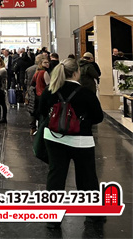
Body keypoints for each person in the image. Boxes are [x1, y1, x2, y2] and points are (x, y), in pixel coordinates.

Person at [38, 59, 104, 229]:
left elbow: (41, 111)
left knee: (56, 175)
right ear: (76, 73)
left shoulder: (51, 90)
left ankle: (52, 218)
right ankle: (93, 215)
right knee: (86, 177)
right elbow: (98, 117)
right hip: (81, 140)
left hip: (53, 138)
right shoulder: (86, 93)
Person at [29, 55, 51, 135]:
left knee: (35, 112)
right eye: (45, 62)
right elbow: (49, 85)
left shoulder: (37, 73)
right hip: (43, 95)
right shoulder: (44, 73)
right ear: (41, 63)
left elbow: (32, 83)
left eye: (48, 62)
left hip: (36, 95)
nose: (47, 64)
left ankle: (34, 128)